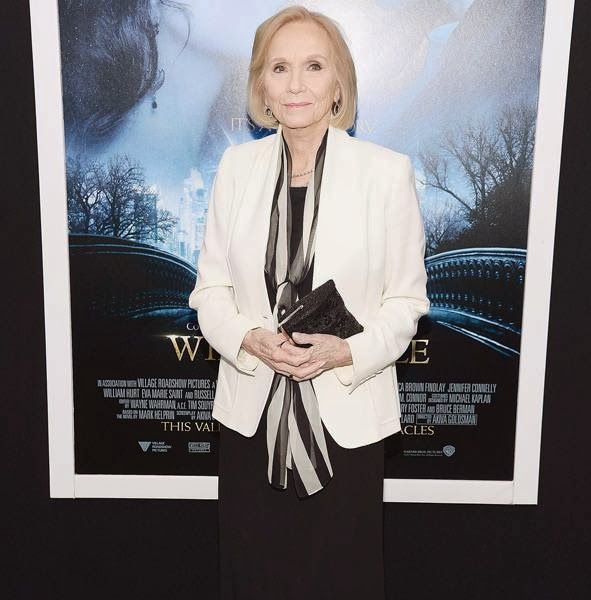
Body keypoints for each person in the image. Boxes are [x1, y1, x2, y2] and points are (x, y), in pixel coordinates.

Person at [188, 5, 429, 599]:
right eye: (280, 67)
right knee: (253, 578)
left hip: (344, 423)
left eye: (313, 66)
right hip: (251, 419)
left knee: (339, 581)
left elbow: (406, 303)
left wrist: (345, 351)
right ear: (261, 87)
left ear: (338, 83)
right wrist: (247, 337)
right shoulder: (235, 169)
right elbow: (209, 290)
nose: (296, 84)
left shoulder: (385, 174)